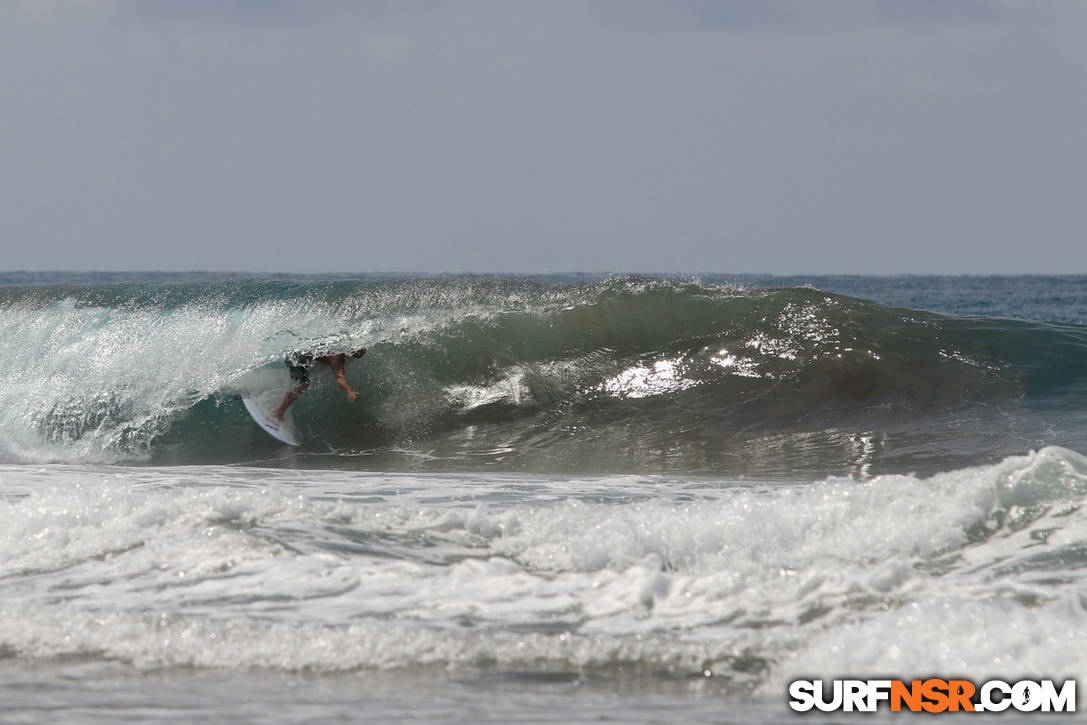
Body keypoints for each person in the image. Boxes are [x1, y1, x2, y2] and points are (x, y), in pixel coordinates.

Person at [273, 348, 367, 422]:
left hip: (298, 353)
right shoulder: (338, 358)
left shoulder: (341, 348)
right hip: (294, 357)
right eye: (361, 351)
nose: (363, 353)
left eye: (364, 351)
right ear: (355, 350)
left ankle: (279, 407)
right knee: (303, 386)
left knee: (301, 384)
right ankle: (279, 412)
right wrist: (349, 391)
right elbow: (340, 377)